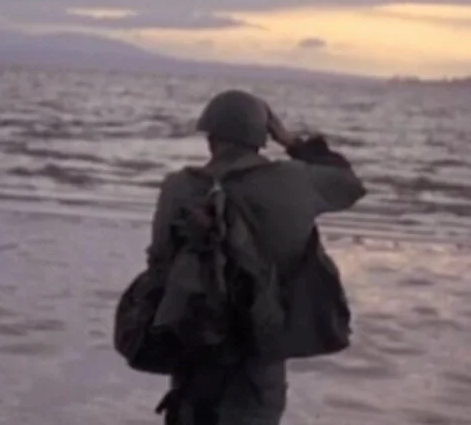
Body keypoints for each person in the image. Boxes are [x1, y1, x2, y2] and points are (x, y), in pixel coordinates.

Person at [145, 89, 367, 425]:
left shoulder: (178, 187)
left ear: (210, 137)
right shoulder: (297, 181)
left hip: (195, 348)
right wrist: (291, 142)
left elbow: (158, 264)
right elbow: (349, 183)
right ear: (262, 138)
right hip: (262, 350)